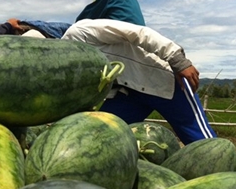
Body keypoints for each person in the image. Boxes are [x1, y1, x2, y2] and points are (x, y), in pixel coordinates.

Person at [62, 18, 216, 145]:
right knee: (102, 135)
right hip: (130, 93)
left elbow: (140, 33)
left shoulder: (80, 31)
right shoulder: (64, 65)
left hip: (164, 81)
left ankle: (228, 177)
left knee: (201, 142)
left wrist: (178, 60)